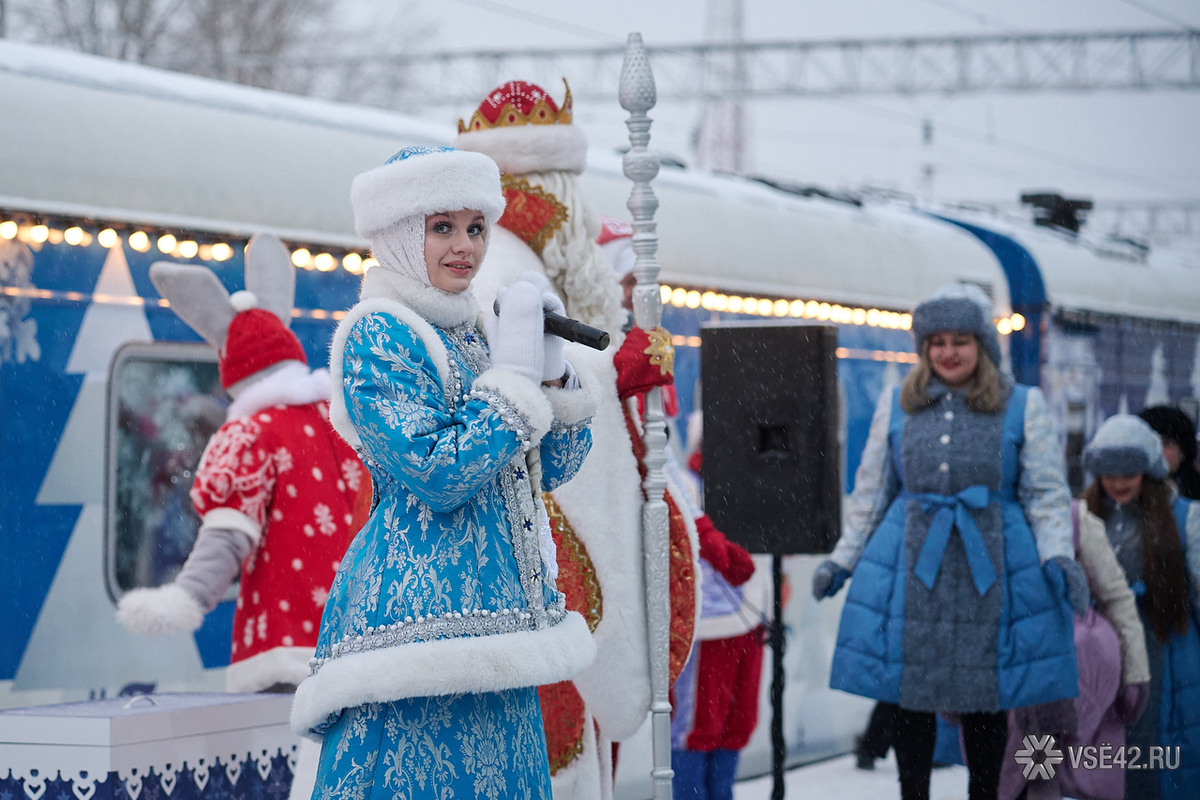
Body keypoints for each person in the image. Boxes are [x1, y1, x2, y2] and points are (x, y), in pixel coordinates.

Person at [288, 145, 598, 799]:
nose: (465, 246)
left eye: (476, 227)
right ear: (400, 233)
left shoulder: (475, 332)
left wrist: (550, 376)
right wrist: (514, 384)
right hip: (416, 630)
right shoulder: (378, 334)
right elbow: (437, 474)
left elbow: (547, 470)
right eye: (442, 227)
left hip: (500, 624)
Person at [455, 81, 700, 800]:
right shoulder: (505, 269)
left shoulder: (518, 263)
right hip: (520, 567)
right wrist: (618, 372)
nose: (581, 216)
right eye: (564, 191)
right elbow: (515, 386)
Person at [812, 283, 1088, 800]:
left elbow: (1046, 494)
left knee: (986, 699)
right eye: (937, 342)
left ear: (983, 344)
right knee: (911, 697)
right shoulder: (899, 404)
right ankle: (912, 792)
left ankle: (984, 792)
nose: (948, 352)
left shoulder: (1022, 405)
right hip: (912, 567)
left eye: (961, 340)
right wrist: (842, 560)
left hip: (994, 569)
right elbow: (872, 492)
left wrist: (1057, 556)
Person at [117, 233, 362, 695]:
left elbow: (228, 535)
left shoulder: (250, 435)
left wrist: (186, 597)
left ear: (233, 371)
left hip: (286, 649)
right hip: (360, 644)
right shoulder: (344, 422)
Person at [996, 495, 1149, 800]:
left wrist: (1136, 672)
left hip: (1067, 674)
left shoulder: (1074, 520)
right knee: (1008, 774)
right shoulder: (983, 514)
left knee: (1041, 773)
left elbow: (1115, 597)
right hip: (1007, 675)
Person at [1080, 414, 1200, 800]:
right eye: (1108, 473)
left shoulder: (1185, 518)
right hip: (1100, 655)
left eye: (1128, 472)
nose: (1117, 482)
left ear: (1148, 472)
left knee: (1154, 760)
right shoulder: (1084, 516)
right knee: (1101, 761)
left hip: (1166, 650)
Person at [1138, 405, 1200, 501]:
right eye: (1150, 443)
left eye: (1166, 443)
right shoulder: (1125, 492)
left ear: (1183, 451)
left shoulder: (1196, 494)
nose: (1158, 450)